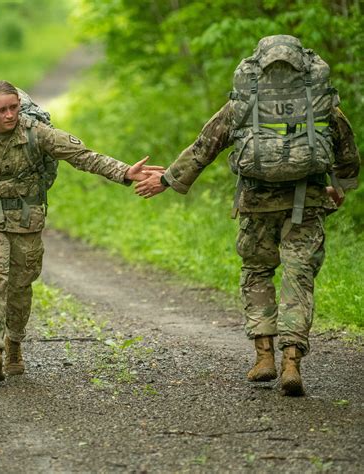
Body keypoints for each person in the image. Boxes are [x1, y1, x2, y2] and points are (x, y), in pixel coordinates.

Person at [136, 35, 360, 396]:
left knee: (257, 273)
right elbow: (346, 150)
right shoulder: (317, 100)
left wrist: (166, 180)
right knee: (298, 279)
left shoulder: (244, 101)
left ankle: (263, 357)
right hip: (307, 202)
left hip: (256, 205)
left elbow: (204, 145)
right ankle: (292, 362)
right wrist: (341, 185)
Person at [0, 80, 164, 382]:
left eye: (14, 108)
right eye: (2, 110)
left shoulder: (37, 133)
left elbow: (83, 156)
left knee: (21, 285)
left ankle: (14, 344)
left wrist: (124, 172)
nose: (9, 115)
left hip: (27, 216)